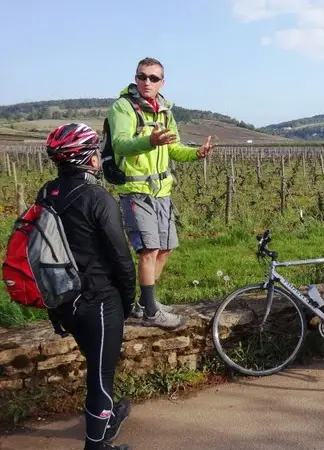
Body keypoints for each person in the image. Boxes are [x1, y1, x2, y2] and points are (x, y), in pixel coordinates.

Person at [42, 123, 136, 450]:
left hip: (63, 299)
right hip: (98, 300)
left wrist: (54, 307)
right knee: (100, 377)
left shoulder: (47, 192)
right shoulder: (98, 198)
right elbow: (122, 257)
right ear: (90, 159)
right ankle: (96, 446)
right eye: (96, 148)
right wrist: (128, 300)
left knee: (96, 363)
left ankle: (107, 419)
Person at [106, 57, 214, 329]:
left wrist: (196, 154)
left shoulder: (165, 111)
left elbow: (174, 149)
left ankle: (144, 305)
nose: (147, 82)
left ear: (162, 82)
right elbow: (120, 145)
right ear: (135, 77)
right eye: (142, 76)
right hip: (136, 189)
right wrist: (149, 140)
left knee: (165, 248)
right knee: (149, 248)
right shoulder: (122, 108)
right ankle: (152, 313)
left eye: (154, 78)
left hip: (162, 190)